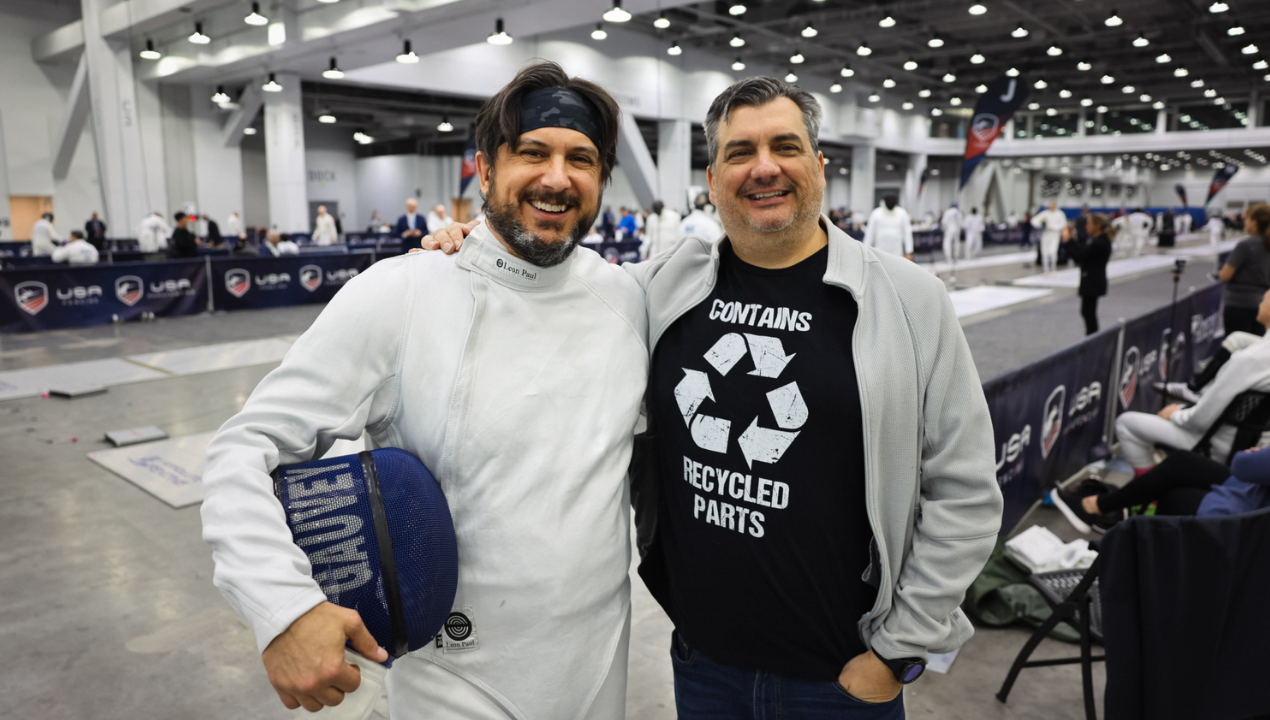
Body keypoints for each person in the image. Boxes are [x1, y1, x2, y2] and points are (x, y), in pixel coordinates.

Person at [427, 76, 1002, 717]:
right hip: (703, 665)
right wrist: (476, 246)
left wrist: (899, 651)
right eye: (739, 152)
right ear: (711, 178)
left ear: (818, 164)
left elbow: (966, 492)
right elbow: (554, 282)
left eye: (784, 147)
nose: (763, 168)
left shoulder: (908, 301)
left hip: (842, 679)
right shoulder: (662, 287)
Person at [202, 61, 643, 720]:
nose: (557, 177)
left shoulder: (627, 298)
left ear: (602, 179)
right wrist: (283, 607)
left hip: (600, 667)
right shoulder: (401, 293)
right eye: (532, 152)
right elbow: (243, 449)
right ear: (486, 169)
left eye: (581, 158)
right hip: (456, 683)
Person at [1114, 288, 1270, 473]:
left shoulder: (1248, 360)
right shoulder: (1255, 354)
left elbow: (1200, 419)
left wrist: (1175, 414)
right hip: (1258, 441)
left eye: (1265, 299)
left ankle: (1150, 494)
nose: (1260, 303)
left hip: (1216, 443)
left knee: (1126, 424)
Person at [1053, 445, 1270, 533]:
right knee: (1182, 463)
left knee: (1128, 424)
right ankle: (1099, 506)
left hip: (1245, 524)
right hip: (1254, 495)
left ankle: (1155, 575)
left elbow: (1242, 465)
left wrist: (1177, 414)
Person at [1217, 204, 1270, 337]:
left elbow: (1225, 275)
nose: (1245, 222)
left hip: (1239, 305)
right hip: (1264, 306)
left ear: (1255, 222)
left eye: (1247, 219)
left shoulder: (1246, 246)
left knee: (1235, 350)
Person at [1062, 212, 1114, 335]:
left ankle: (1092, 338)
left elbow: (1080, 257)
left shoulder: (1100, 243)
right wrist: (1071, 239)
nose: (1086, 226)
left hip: (1093, 281)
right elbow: (1083, 251)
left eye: (1089, 224)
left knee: (1088, 313)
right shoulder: (1098, 240)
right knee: (1087, 312)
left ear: (1097, 226)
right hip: (1092, 280)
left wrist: (1068, 241)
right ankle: (1092, 338)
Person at [863, 195, 914, 259]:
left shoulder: (902, 213)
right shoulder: (876, 213)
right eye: (889, 200)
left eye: (892, 201)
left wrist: (909, 251)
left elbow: (907, 233)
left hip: (897, 253)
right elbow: (870, 233)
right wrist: (865, 250)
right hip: (880, 252)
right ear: (884, 201)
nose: (891, 202)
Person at [1031, 201, 1067, 273]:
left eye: (1052, 205)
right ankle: (1046, 269)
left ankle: (1053, 268)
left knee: (1053, 252)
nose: (1051, 206)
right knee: (1044, 252)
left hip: (1054, 235)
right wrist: (1040, 225)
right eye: (1050, 205)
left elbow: (1063, 224)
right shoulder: (1045, 213)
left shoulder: (1060, 214)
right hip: (1045, 235)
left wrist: (1053, 228)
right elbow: (1034, 220)